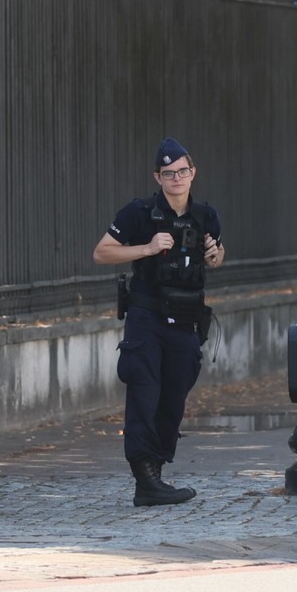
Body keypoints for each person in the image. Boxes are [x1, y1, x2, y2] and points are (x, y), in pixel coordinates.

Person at [92, 137, 225, 507]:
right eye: (169, 173)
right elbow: (102, 252)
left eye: (182, 171)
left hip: (185, 320)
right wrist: (148, 248)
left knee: (173, 396)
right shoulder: (139, 213)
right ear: (158, 177)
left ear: (192, 173)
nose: (177, 178)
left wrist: (215, 254)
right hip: (147, 316)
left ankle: (157, 472)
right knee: (144, 393)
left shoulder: (205, 215)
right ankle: (144, 478)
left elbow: (217, 255)